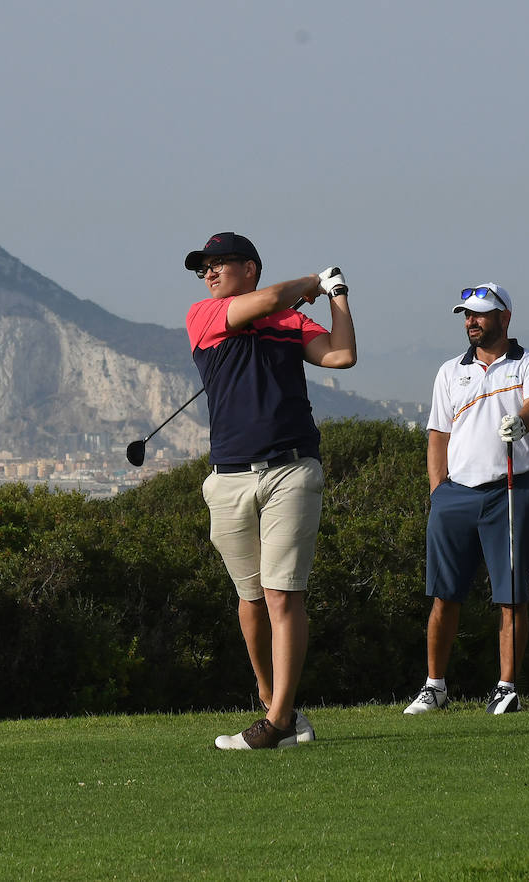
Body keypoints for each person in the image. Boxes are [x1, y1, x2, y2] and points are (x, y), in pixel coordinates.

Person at [183, 231, 356, 749]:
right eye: (204, 267)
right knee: (250, 600)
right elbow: (266, 301)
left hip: (291, 470)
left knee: (284, 594)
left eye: (220, 264)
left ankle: (278, 723)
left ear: (250, 267)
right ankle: (273, 701)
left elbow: (341, 356)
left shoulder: (291, 322)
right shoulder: (203, 316)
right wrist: (310, 282)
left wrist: (337, 295)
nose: (209, 273)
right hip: (230, 477)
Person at [405, 283, 529, 715]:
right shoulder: (451, 370)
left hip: (510, 490)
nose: (471, 321)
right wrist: (438, 492)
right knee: (444, 595)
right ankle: (435, 687)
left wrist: (521, 425)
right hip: (455, 495)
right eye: (466, 314)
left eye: (480, 314)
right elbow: (438, 435)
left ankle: (506, 688)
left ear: (504, 318)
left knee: (510, 595)